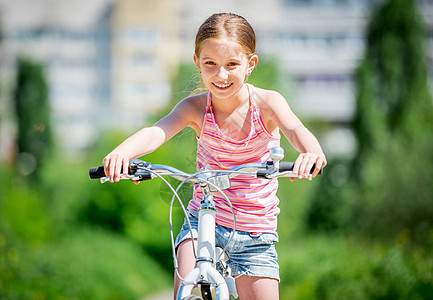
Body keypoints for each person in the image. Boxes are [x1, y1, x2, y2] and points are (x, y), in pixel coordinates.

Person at [103, 12, 326, 300]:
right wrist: (122, 153)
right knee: (186, 291)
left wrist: (312, 151)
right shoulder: (195, 108)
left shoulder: (267, 104)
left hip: (254, 233)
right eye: (211, 64)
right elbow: (156, 132)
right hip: (203, 221)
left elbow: (295, 128)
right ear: (198, 64)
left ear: (250, 64)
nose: (221, 75)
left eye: (232, 64)